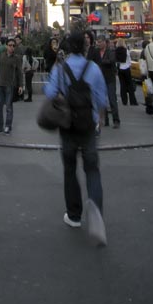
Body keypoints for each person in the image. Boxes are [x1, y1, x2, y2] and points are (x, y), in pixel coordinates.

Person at [44, 28, 108, 229]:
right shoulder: (94, 68)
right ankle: (96, 213)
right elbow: (101, 98)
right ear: (86, 45)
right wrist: (100, 119)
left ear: (68, 47)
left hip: (68, 125)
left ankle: (74, 215)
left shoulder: (61, 69)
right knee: (92, 169)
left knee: (70, 170)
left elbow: (49, 92)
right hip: (88, 124)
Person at [0, 38, 23, 134]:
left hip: (10, 85)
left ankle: (8, 126)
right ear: (6, 46)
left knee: (9, 107)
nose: (12, 47)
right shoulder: (2, 56)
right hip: (0, 84)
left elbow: (19, 73)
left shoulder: (16, 58)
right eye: (10, 45)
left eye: (13, 45)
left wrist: (21, 85)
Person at [94, 35, 120, 128]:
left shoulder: (110, 51)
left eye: (100, 41)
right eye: (98, 42)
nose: (99, 43)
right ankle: (105, 120)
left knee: (112, 100)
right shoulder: (96, 52)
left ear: (105, 42)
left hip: (109, 79)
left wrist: (100, 62)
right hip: (100, 79)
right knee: (102, 100)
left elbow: (111, 61)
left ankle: (116, 120)